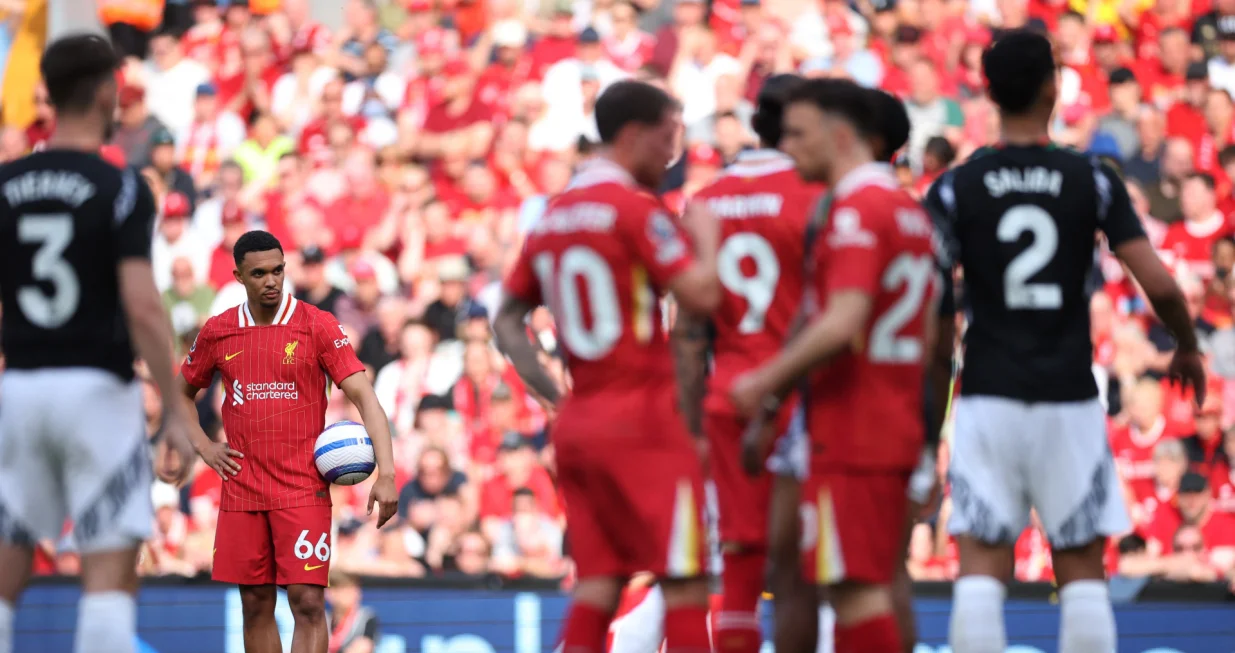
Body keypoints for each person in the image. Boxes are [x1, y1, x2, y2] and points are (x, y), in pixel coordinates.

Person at [921, 30, 1205, 653]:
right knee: (1080, 575)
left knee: (980, 574)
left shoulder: (955, 187)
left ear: (987, 91)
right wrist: (1185, 345)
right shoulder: (1091, 179)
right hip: (1069, 397)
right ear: (1053, 87)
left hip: (987, 395)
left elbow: (934, 314)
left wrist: (930, 410)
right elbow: (1158, 283)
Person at [493, 79, 722, 653]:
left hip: (582, 422)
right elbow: (701, 294)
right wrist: (709, 242)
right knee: (686, 578)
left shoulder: (552, 216)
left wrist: (556, 396)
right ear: (633, 135)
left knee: (598, 584)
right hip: (645, 417)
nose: (673, 156)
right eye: (667, 140)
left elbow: (505, 323)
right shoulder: (636, 210)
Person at [729, 78, 940, 653]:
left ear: (840, 135)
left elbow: (842, 319)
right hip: (885, 418)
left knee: (856, 591)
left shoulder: (857, 209)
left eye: (798, 133)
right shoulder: (905, 210)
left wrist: (764, 381)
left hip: (854, 427)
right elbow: (930, 333)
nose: (785, 145)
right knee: (859, 582)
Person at [0, 33, 195, 653]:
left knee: (5, 573)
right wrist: (174, 408)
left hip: (20, 385)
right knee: (109, 578)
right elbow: (141, 304)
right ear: (108, 92)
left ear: (48, 96)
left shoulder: (4, 185)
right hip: (97, 389)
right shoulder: (123, 188)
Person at [176, 230, 399, 653]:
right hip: (241, 489)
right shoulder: (219, 331)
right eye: (259, 273)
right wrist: (205, 447)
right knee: (255, 604)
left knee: (309, 602)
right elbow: (181, 394)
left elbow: (366, 398)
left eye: (278, 270)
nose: (271, 281)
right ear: (239, 276)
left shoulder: (316, 324)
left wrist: (386, 473)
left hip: (302, 487)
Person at [673, 73, 818, 653]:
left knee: (738, 555)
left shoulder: (705, 201)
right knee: (805, 566)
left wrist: (690, 421)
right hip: (801, 395)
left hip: (727, 393)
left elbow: (685, 330)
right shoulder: (814, 194)